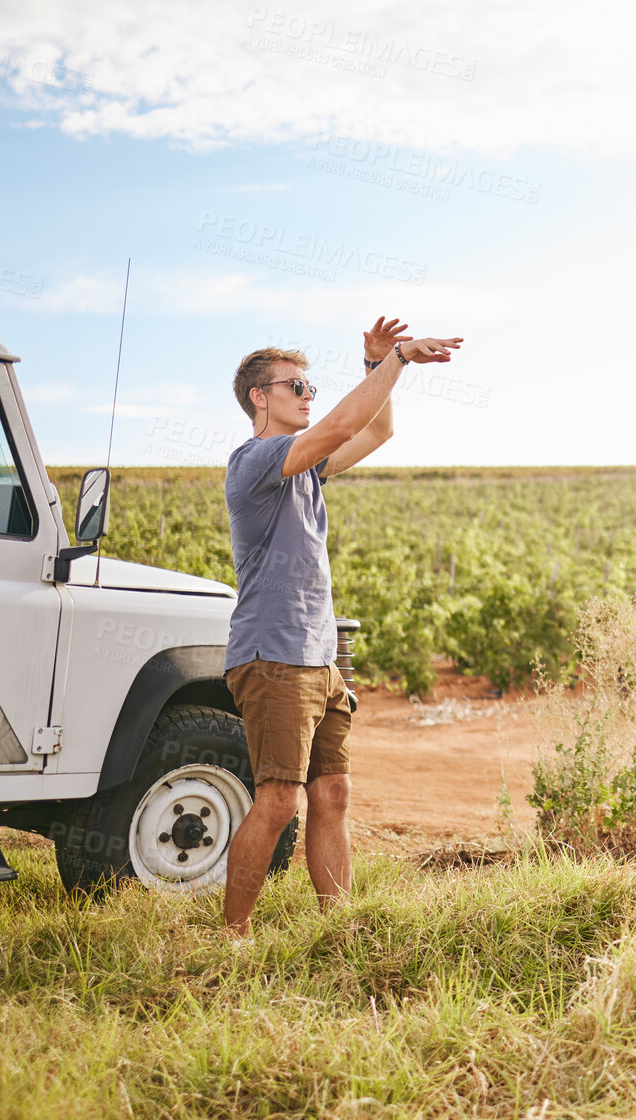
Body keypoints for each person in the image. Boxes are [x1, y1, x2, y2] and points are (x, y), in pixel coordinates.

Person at [221, 316, 463, 937]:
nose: (308, 396)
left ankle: (340, 928)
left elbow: (376, 428)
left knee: (332, 796)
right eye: (295, 387)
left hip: (317, 658)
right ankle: (233, 936)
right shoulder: (256, 460)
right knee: (278, 800)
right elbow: (343, 424)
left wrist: (373, 368)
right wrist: (399, 360)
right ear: (260, 397)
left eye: (309, 387)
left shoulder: (306, 469)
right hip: (273, 655)